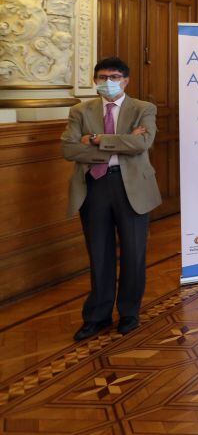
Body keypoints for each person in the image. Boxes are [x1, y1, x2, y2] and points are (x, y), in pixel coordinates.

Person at [61, 57, 161, 341]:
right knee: (99, 253)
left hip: (133, 188)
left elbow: (143, 143)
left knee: (133, 252)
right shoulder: (80, 111)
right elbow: (69, 149)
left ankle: (129, 312)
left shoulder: (144, 108)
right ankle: (97, 316)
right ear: (94, 81)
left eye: (114, 76)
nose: (108, 82)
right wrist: (120, 142)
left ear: (126, 80)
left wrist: (94, 140)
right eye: (102, 77)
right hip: (94, 186)